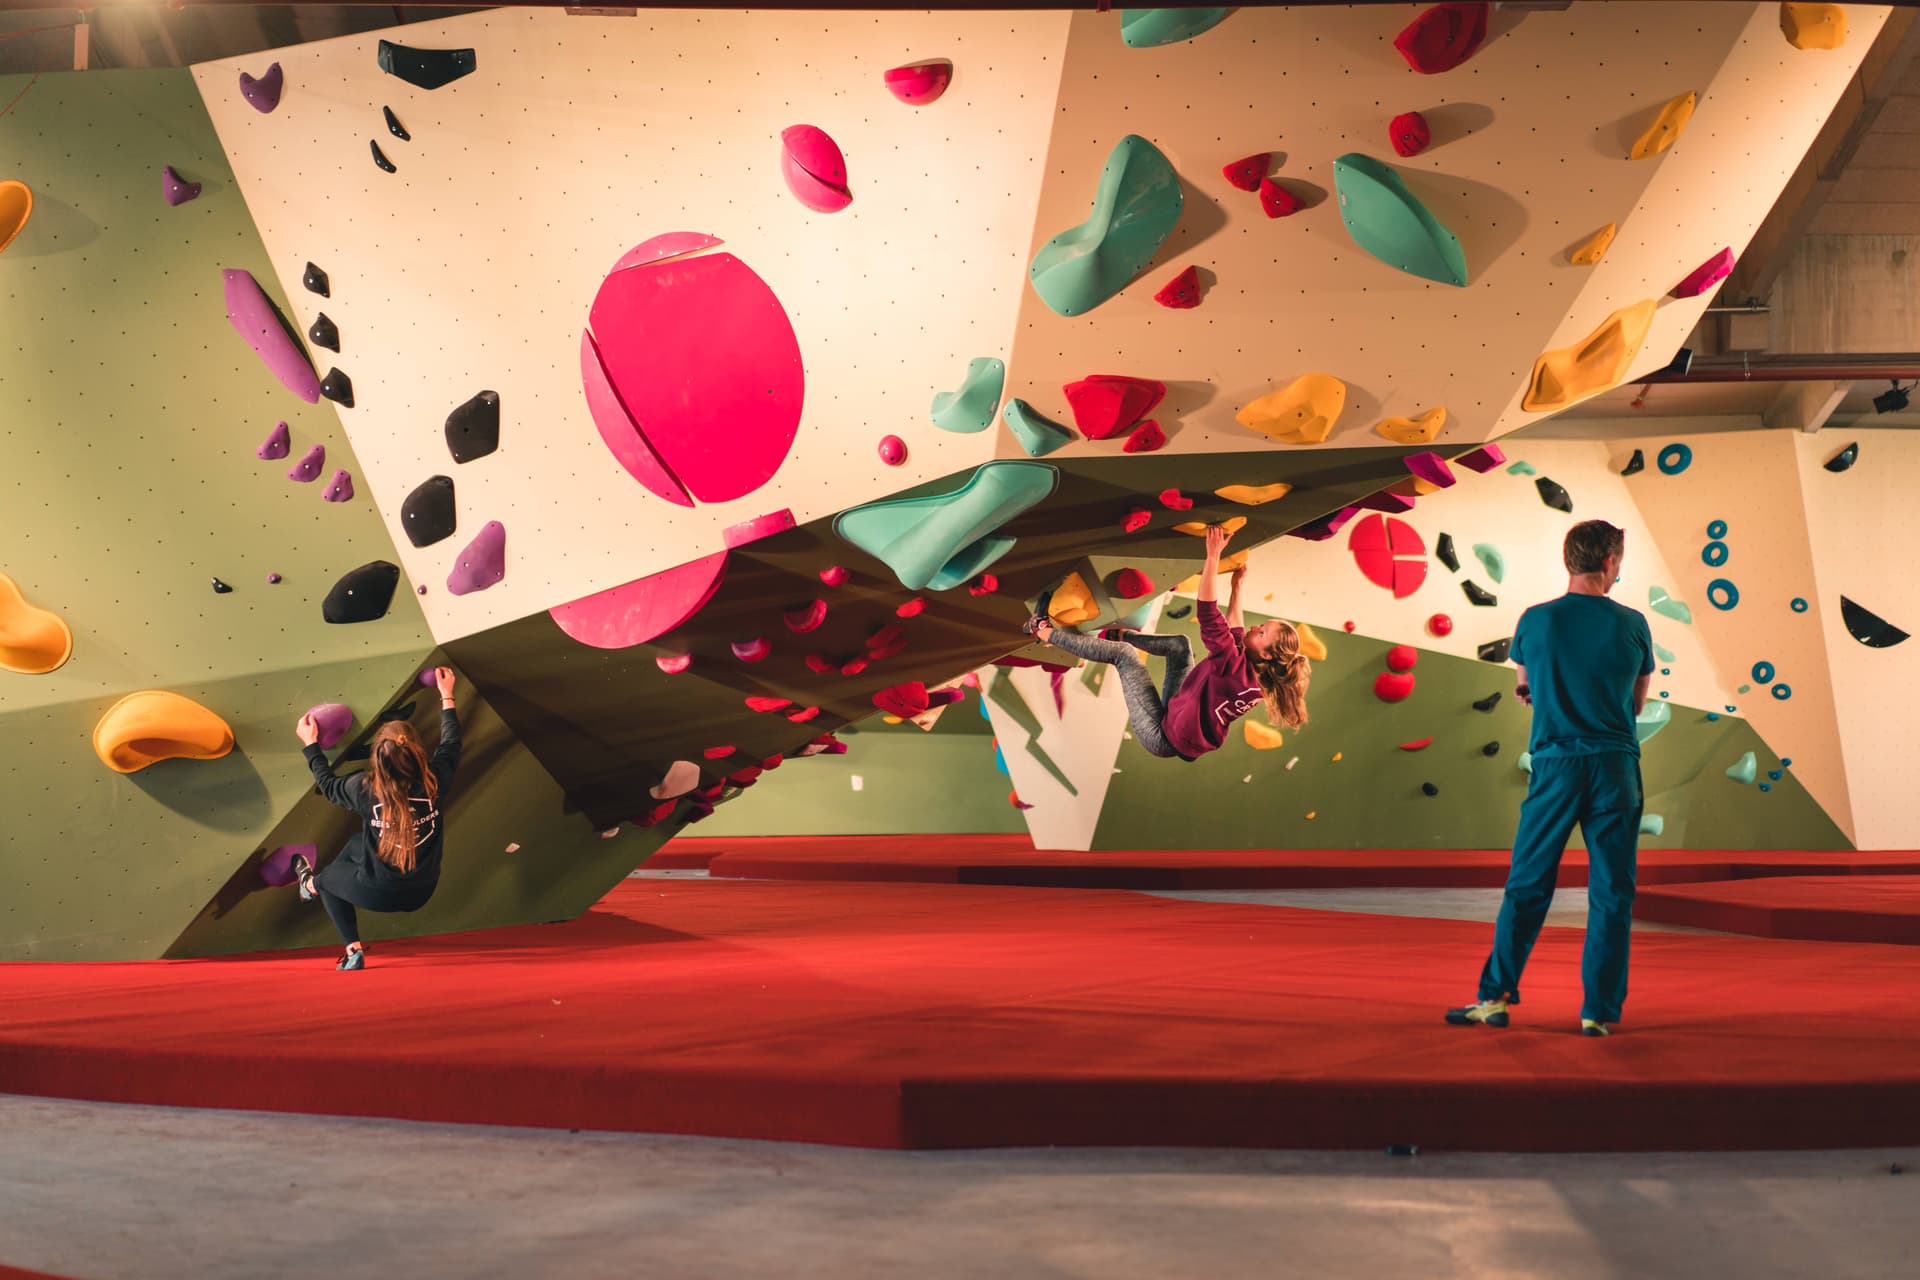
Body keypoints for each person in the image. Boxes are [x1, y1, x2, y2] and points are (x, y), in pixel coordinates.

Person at [1446, 520, 1653, 1037]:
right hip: (1615, 768)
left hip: (1557, 767)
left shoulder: (1534, 622)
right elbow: (1637, 702)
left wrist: (1543, 694)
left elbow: (1525, 685)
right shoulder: (1634, 624)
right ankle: (1598, 1013)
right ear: (1610, 562)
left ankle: (1494, 997)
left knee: (1528, 884)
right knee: (1612, 893)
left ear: (1569, 561)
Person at [1022, 524, 1309, 762]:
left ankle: (1044, 631)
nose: (1256, 628)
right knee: (1180, 646)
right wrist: (1237, 587)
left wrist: (1212, 556)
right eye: (1262, 626)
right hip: (1180, 717)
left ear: (1269, 655)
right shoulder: (1253, 674)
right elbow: (1236, 629)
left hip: (1161, 735)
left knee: (1124, 656)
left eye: (1262, 634)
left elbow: (1209, 611)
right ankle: (1118, 634)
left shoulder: (1233, 667)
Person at [291, 666, 463, 970]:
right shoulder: (436, 780)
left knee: (327, 880)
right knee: (358, 842)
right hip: (421, 891)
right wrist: (446, 696)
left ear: (377, 758)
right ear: (418, 752)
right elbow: (451, 743)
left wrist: (310, 745)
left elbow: (329, 786)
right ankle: (320, 886)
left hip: (376, 892)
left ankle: (322, 903)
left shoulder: (364, 788)